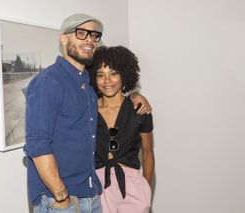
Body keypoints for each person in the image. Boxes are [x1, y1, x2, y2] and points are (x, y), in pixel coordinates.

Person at [23, 13, 152, 213]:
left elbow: (112, 90)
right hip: (62, 200)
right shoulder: (48, 82)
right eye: (81, 33)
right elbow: (37, 145)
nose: (89, 40)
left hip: (92, 195)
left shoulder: (88, 85)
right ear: (63, 39)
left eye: (93, 35)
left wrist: (135, 95)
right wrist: (61, 195)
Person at [89, 46, 154, 213]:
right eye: (101, 75)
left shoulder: (139, 109)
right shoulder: (88, 111)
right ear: (94, 78)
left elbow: (148, 152)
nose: (107, 81)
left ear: (124, 75)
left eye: (114, 73)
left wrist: (146, 191)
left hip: (133, 186)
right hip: (98, 187)